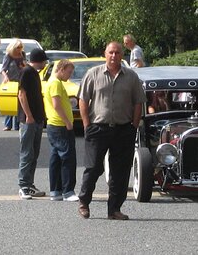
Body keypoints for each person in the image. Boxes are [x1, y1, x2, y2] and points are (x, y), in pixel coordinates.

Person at [77, 41, 146, 220]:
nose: (114, 56)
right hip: (98, 128)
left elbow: (138, 102)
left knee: (120, 171)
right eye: (111, 52)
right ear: (105, 54)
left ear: (122, 55)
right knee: (93, 168)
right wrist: (86, 124)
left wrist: (134, 125)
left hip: (124, 129)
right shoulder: (93, 74)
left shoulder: (131, 76)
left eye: (117, 53)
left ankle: (114, 209)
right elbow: (83, 99)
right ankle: (84, 202)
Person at [44, 59, 79, 202]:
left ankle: (56, 190)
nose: (69, 75)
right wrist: (67, 122)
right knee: (68, 157)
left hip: (54, 125)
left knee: (57, 158)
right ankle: (68, 191)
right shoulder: (55, 83)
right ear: (62, 69)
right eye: (69, 72)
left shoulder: (53, 82)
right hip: (60, 125)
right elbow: (56, 105)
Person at [17, 48, 48, 200]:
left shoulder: (34, 73)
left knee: (34, 153)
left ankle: (29, 184)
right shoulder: (26, 72)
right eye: (44, 60)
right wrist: (28, 115)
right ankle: (23, 186)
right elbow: (21, 94)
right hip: (28, 119)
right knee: (27, 153)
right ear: (39, 60)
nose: (45, 63)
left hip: (37, 118)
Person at [1, 39, 26, 131]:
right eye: (17, 47)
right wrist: (6, 77)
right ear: (13, 47)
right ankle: (8, 124)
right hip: (11, 81)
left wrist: (24, 64)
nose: (19, 49)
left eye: (20, 47)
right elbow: (3, 69)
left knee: (20, 103)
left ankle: (18, 124)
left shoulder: (22, 54)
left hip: (21, 80)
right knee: (11, 102)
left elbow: (25, 66)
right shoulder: (8, 56)